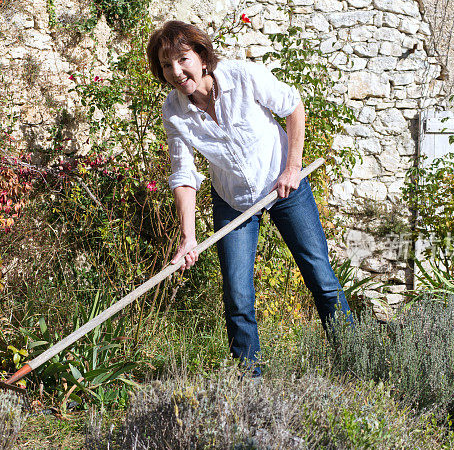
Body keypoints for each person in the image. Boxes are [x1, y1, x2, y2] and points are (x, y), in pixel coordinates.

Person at [146, 20, 352, 375]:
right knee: (238, 297)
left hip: (284, 185)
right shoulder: (174, 111)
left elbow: (293, 107)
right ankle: (248, 386)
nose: (177, 72)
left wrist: (291, 169)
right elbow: (183, 175)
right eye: (167, 65)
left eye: (183, 59)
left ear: (202, 56)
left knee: (321, 278)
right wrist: (188, 237)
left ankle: (355, 362)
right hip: (233, 199)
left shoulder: (243, 76)